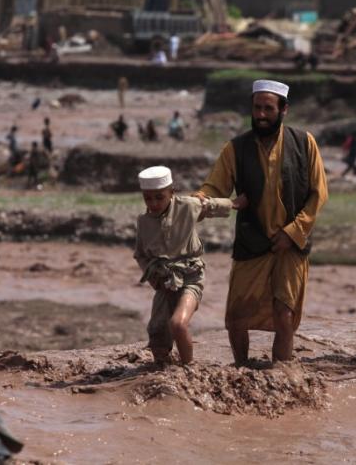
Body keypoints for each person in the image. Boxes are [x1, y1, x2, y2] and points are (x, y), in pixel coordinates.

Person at [195, 79, 328, 365]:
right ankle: (241, 367)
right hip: (252, 240)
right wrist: (198, 203)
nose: (261, 115)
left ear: (284, 110)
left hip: (291, 245)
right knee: (236, 317)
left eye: (268, 108)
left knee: (285, 312)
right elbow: (214, 189)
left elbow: (319, 194)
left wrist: (293, 232)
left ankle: (281, 371)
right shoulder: (235, 149)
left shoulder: (304, 143)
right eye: (257, 108)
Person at [134, 166, 245, 364]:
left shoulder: (186, 206)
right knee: (157, 333)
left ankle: (188, 369)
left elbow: (208, 205)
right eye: (148, 198)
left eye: (159, 197)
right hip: (164, 280)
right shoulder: (143, 222)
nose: (153, 203)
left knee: (177, 324)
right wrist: (151, 276)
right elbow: (140, 254)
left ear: (172, 193)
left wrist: (235, 203)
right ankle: (161, 368)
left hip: (190, 275)